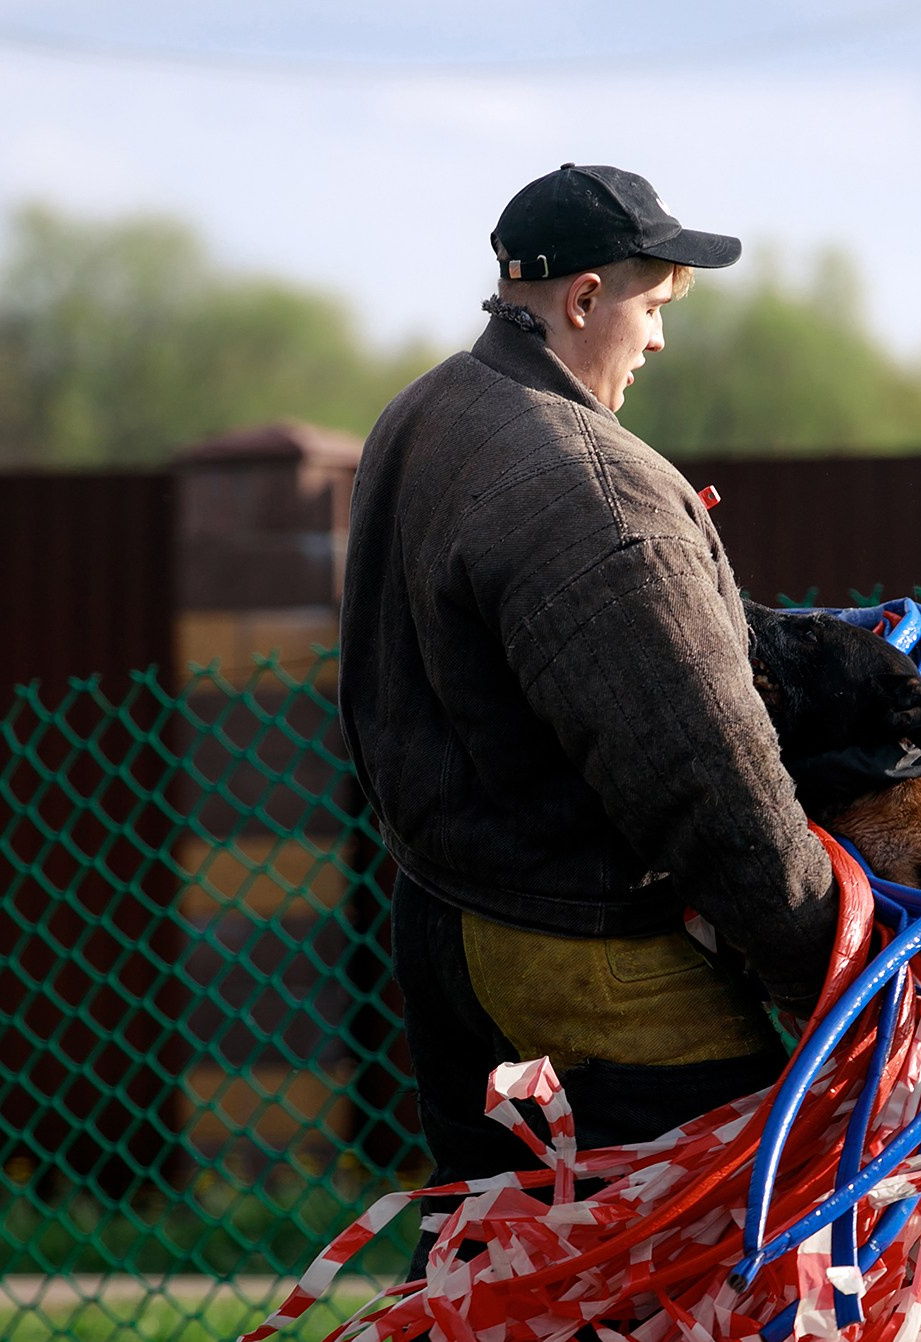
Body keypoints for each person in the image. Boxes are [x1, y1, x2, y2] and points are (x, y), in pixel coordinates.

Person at [339, 164, 839, 1192]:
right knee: (710, 1269)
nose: (657, 337)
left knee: (500, 1269)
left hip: (443, 928)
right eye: (650, 306)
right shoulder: (595, 493)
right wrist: (822, 970)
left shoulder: (424, 414)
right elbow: (709, 783)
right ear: (582, 300)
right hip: (584, 954)